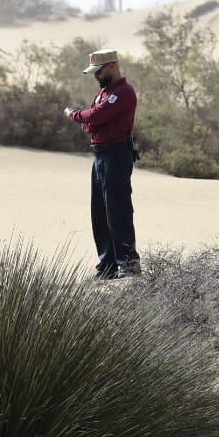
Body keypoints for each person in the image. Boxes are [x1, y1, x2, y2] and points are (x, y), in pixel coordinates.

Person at [64, 49, 142, 279]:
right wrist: (87, 118)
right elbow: (91, 124)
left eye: (98, 71)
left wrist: (76, 115)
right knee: (100, 212)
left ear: (111, 67)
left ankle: (128, 263)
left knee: (118, 210)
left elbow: (96, 116)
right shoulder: (103, 93)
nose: (95, 76)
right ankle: (107, 265)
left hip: (116, 154)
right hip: (99, 155)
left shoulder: (122, 92)